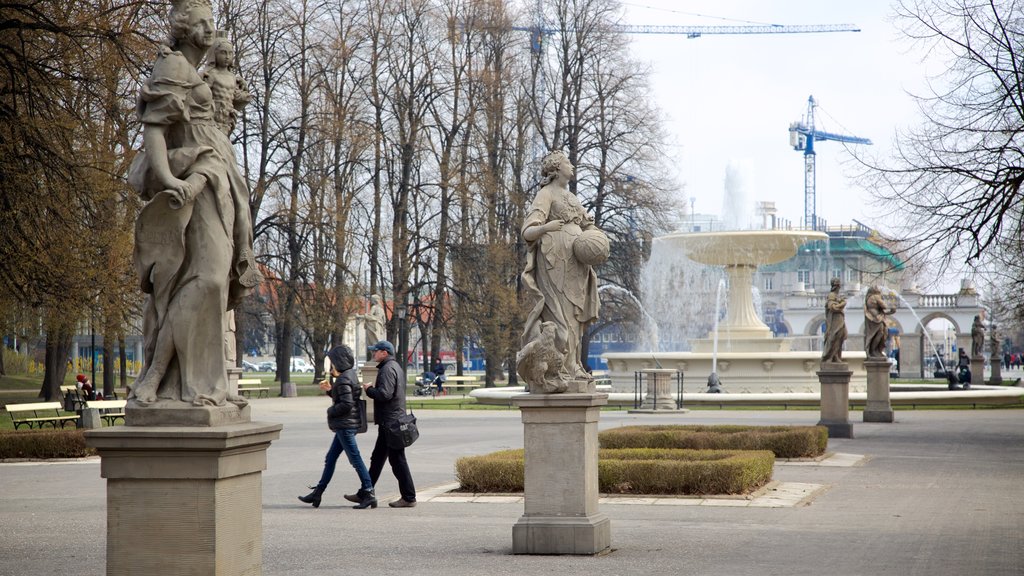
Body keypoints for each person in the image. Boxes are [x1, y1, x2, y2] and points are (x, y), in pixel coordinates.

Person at [127, 0, 260, 408]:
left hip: (217, 181)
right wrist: (168, 180)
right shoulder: (173, 68)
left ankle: (207, 384)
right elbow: (154, 129)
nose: (209, 29)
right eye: (202, 22)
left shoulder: (195, 74)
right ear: (184, 28)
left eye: (211, 22)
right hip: (192, 186)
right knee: (209, 279)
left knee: (213, 288)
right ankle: (156, 377)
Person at [519, 150, 603, 393]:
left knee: (575, 317)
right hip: (554, 261)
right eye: (568, 162)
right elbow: (527, 232)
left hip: (577, 262)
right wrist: (546, 227)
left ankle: (574, 365)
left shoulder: (571, 197)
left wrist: (597, 237)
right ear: (556, 169)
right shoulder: (545, 195)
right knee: (560, 317)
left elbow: (588, 224)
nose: (572, 165)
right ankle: (559, 368)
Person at [298, 344, 375, 509]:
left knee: (355, 459)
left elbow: (346, 404)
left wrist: (330, 410)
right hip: (346, 425)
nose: (331, 365)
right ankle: (317, 493)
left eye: (332, 361)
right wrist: (330, 390)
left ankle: (369, 492)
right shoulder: (350, 375)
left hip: (345, 426)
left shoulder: (343, 379)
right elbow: (344, 397)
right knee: (330, 458)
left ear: (339, 361)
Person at [356, 340, 417, 508]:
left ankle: (409, 497)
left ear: (384, 352)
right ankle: (365, 493)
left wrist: (368, 389)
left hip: (391, 423)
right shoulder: (393, 366)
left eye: (375, 351)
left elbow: (385, 394)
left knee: (397, 461)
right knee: (377, 459)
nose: (373, 354)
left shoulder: (387, 369)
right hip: (390, 422)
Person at [201, 36, 250, 136]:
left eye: (230, 53)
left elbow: (236, 96)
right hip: (213, 119)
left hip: (227, 120)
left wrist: (244, 89)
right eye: (223, 52)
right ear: (215, 53)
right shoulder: (211, 74)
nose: (227, 56)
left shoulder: (233, 77)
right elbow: (202, 94)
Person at [863, 286, 895, 358]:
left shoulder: (869, 297)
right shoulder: (876, 296)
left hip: (873, 316)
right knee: (880, 333)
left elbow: (883, 309)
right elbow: (884, 306)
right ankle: (874, 351)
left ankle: (874, 350)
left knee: (876, 334)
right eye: (877, 288)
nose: (879, 289)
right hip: (876, 317)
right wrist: (892, 306)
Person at [821, 277, 847, 363]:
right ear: (836, 286)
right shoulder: (832, 295)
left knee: (839, 337)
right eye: (838, 286)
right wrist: (842, 304)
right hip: (834, 320)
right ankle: (829, 356)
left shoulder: (838, 296)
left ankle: (836, 356)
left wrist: (841, 303)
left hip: (839, 318)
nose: (839, 288)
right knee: (833, 337)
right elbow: (832, 307)